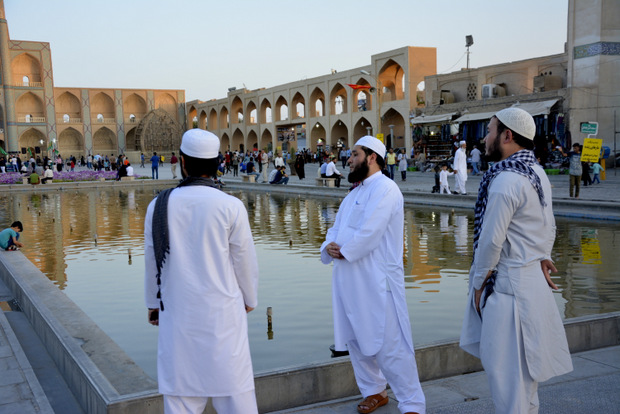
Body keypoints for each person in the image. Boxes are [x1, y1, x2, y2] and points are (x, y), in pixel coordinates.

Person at [460, 108, 572, 413]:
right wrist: (543, 254)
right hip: (531, 284)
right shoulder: (535, 172)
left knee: (508, 382)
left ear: (507, 136)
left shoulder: (507, 179)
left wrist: (479, 283)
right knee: (526, 380)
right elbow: (548, 223)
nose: (485, 138)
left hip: (509, 293)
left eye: (490, 130)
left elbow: (491, 241)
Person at [144, 129, 259, 414]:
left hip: (177, 313)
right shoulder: (231, 206)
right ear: (218, 162)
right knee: (234, 393)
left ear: (182, 162)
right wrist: (249, 298)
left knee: (181, 395)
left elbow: (151, 262)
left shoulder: (158, 205)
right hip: (223, 315)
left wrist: (151, 304)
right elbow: (244, 259)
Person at [320, 136, 426, 414]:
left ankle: (412, 403)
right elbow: (335, 228)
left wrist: (344, 250)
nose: (349, 159)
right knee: (356, 341)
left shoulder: (387, 189)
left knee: (390, 344)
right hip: (348, 281)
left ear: (372, 157)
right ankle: (374, 391)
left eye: (354, 154)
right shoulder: (353, 193)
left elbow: (371, 231)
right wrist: (327, 245)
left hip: (377, 282)